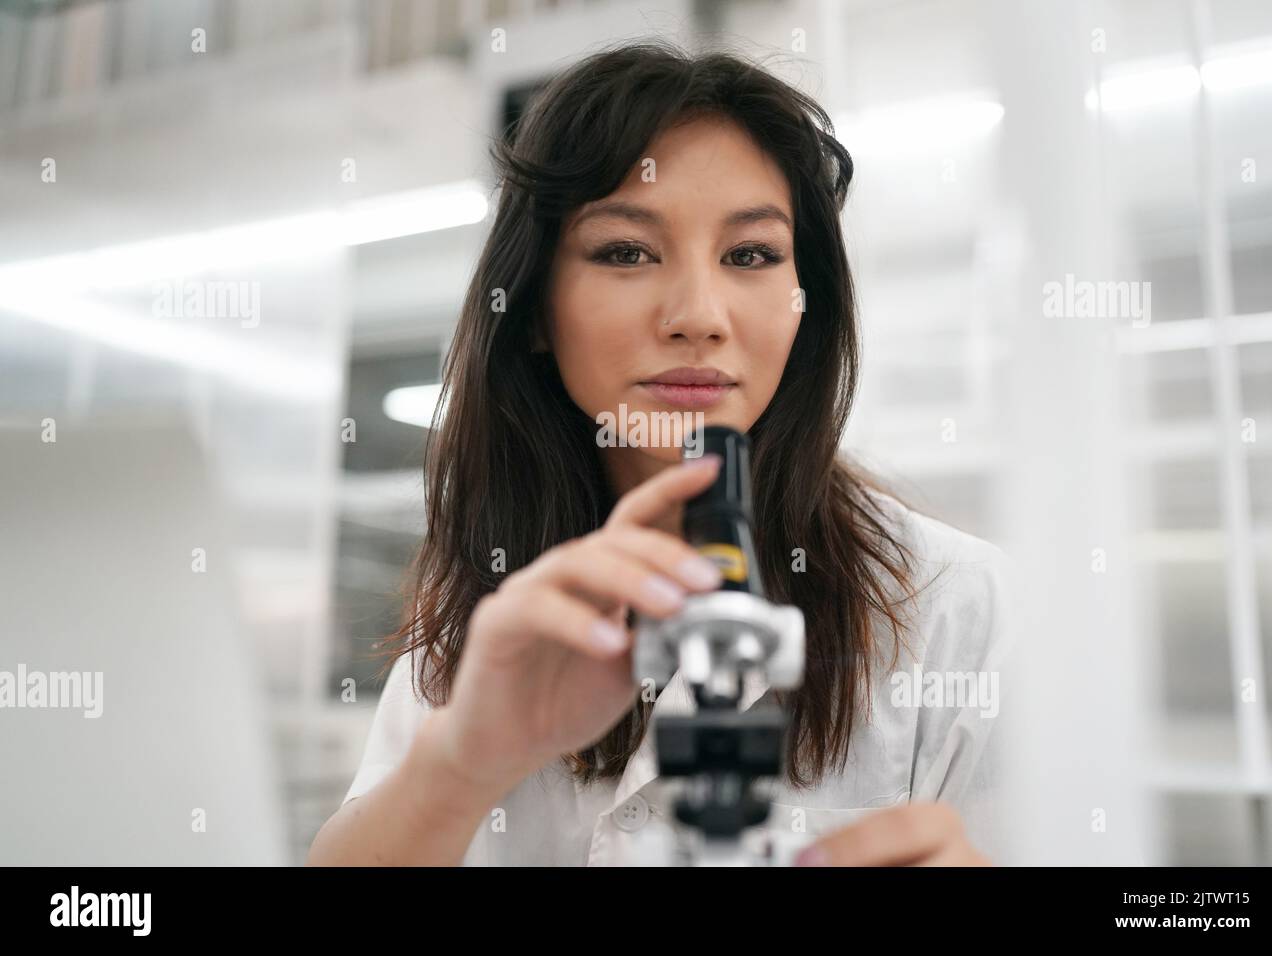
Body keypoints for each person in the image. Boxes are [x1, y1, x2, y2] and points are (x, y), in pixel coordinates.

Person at [308, 41, 1014, 867]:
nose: (698, 315)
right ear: (534, 309)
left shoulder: (958, 608)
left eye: (750, 255)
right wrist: (466, 761)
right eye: (626, 253)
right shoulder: (493, 601)